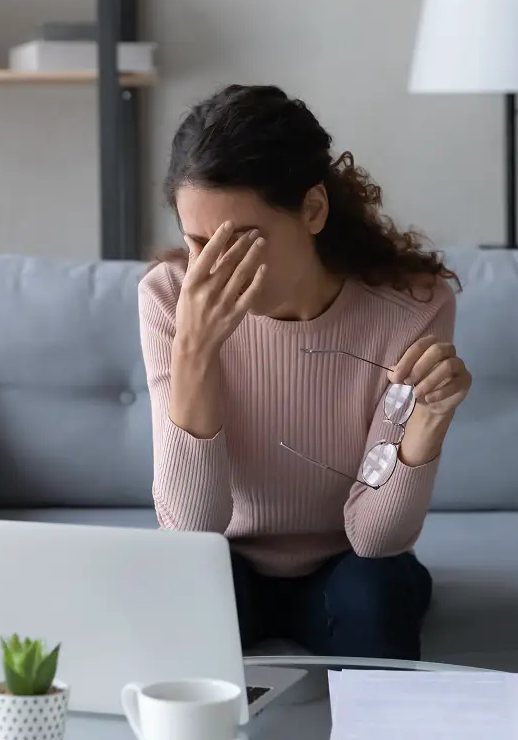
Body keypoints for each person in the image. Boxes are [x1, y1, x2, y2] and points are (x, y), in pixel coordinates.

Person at [138, 84, 472, 661]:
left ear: (313, 210)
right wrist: (195, 348)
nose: (216, 273)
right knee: (181, 595)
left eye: (242, 243)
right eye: (198, 244)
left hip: (351, 568)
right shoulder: (170, 300)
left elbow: (376, 539)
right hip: (224, 559)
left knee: (377, 592)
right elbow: (191, 529)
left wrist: (423, 432)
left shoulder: (412, 307)